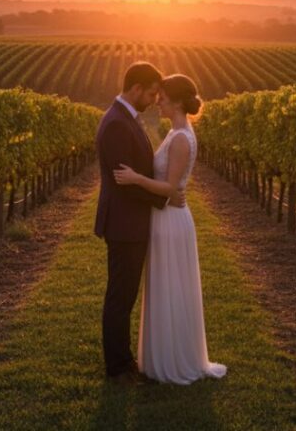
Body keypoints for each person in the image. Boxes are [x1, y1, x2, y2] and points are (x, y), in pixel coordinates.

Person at [113, 73, 227, 385]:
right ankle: (162, 357)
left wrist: (136, 179)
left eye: (162, 96)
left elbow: (169, 187)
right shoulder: (176, 132)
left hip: (171, 221)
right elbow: (171, 187)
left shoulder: (180, 138)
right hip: (165, 217)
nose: (157, 100)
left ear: (176, 101)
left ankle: (174, 361)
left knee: (171, 285)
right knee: (165, 284)